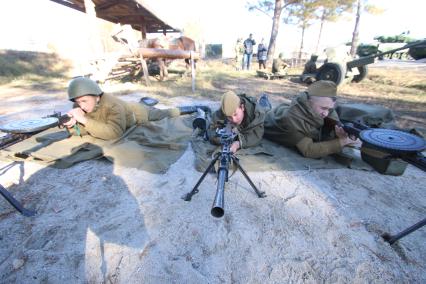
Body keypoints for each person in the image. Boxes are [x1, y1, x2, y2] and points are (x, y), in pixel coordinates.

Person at [63, 77, 206, 140]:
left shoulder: (112, 104)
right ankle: (147, 101)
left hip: (139, 113)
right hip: (127, 108)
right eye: (77, 102)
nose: (81, 105)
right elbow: (88, 129)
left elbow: (114, 133)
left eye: (84, 101)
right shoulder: (82, 106)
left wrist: (84, 120)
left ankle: (193, 107)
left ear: (97, 97)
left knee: (165, 113)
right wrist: (73, 124)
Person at [264, 80, 359, 158]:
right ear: (309, 102)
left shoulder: (323, 110)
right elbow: (308, 150)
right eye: (323, 108)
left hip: (286, 109)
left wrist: (338, 135)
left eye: (329, 109)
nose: (325, 113)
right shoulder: (293, 120)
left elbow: (326, 127)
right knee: (263, 112)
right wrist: (343, 141)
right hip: (268, 120)